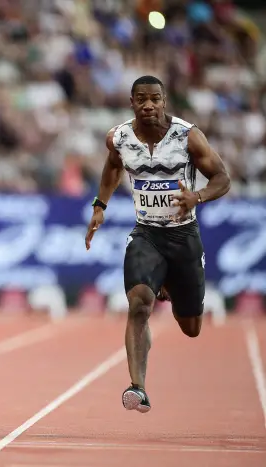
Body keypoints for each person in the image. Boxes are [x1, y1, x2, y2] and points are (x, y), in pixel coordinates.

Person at [85, 75, 231, 414]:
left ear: (164, 101)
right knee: (139, 303)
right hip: (146, 233)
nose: (148, 105)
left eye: (155, 99)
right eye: (141, 99)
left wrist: (197, 196)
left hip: (183, 236)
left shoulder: (188, 136)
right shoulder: (118, 138)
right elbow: (112, 168)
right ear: (132, 103)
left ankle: (169, 282)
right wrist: (100, 206)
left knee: (191, 326)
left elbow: (222, 178)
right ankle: (138, 387)